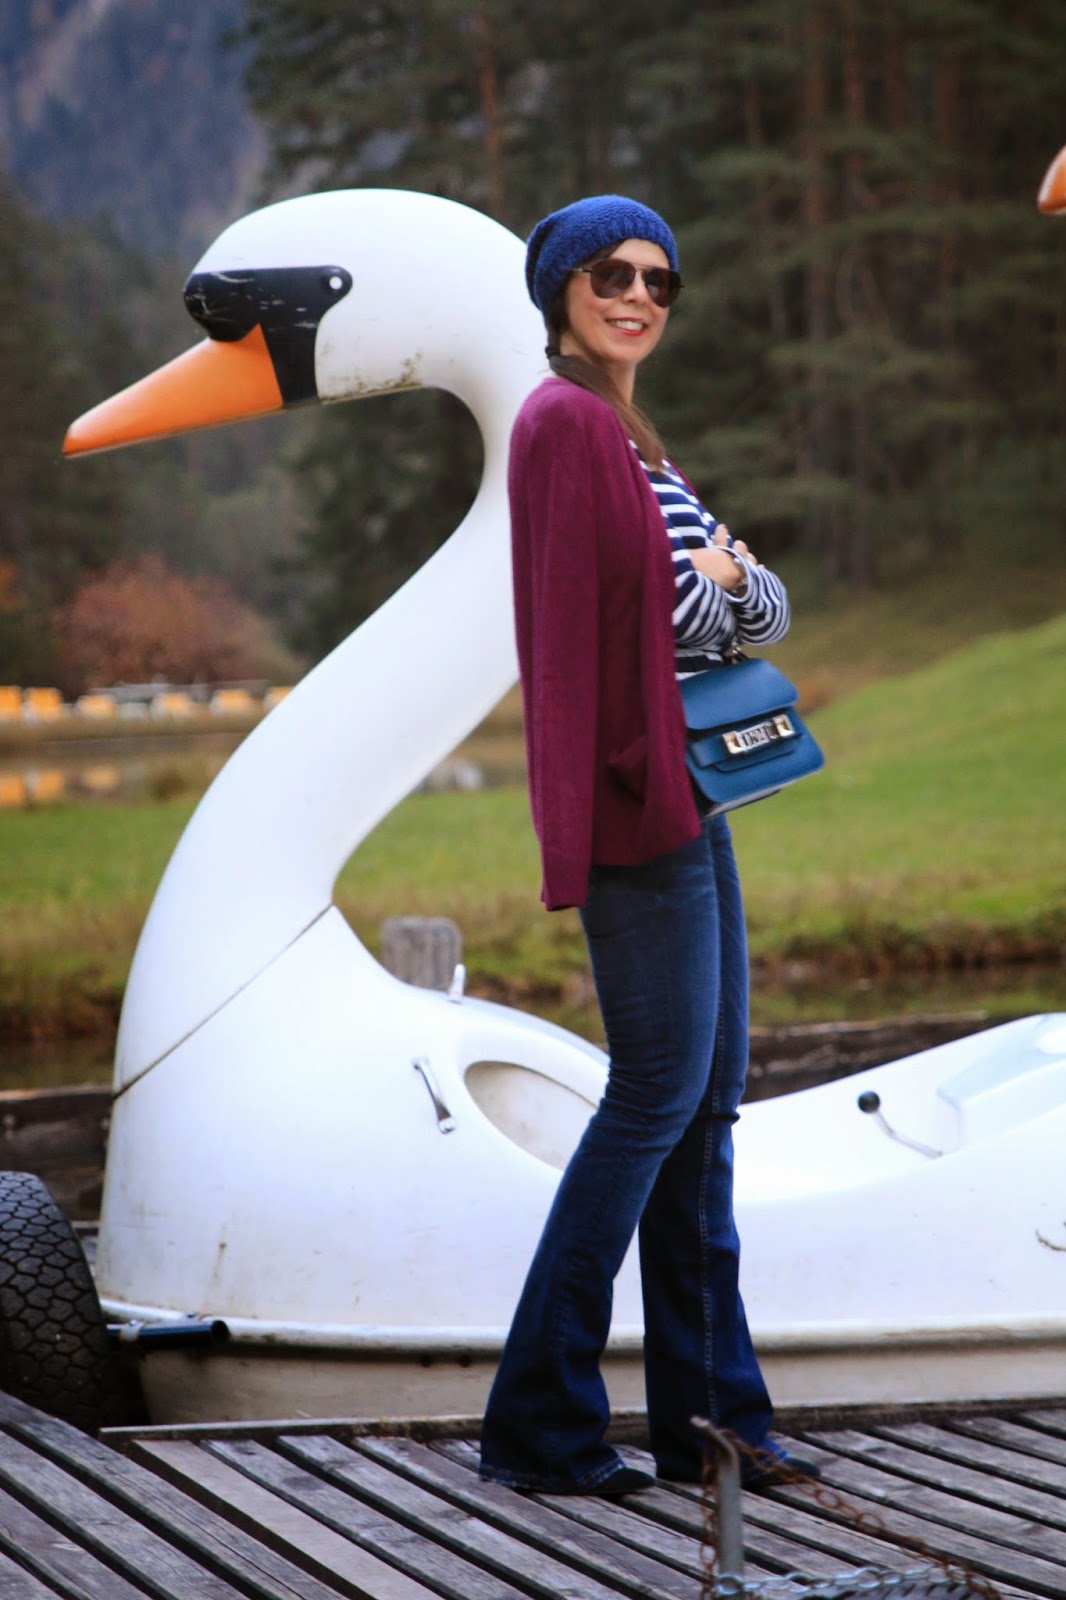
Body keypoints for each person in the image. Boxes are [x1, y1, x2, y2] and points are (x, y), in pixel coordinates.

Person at [479, 195, 821, 1498]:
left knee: (704, 1106)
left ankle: (711, 1419)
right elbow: (656, 610)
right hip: (638, 798)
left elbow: (757, 605)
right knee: (653, 1099)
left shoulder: (635, 440)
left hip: (691, 798)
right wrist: (719, 585)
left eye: (658, 280)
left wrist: (722, 590)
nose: (637, 295)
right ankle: (540, 1424)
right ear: (561, 293)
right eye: (611, 274)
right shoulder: (563, 424)